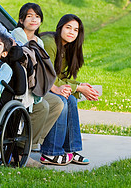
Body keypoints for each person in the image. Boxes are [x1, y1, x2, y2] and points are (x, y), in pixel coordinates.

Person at [39, 14, 99, 166]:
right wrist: (78, 88)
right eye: (68, 27)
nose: (72, 32)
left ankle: (70, 150)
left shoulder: (67, 48)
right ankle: (50, 152)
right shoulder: (49, 43)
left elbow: (61, 78)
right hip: (38, 85)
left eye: (76, 30)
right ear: (60, 28)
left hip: (50, 85)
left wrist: (80, 86)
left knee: (71, 99)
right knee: (62, 101)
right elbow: (48, 76)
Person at [11, 3, 64, 152]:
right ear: (21, 20)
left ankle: (33, 142)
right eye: (29, 16)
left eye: (37, 16)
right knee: (44, 106)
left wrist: (54, 88)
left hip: (34, 85)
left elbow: (43, 70)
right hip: (19, 86)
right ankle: (23, 148)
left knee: (57, 104)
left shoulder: (39, 42)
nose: (34, 19)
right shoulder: (14, 36)